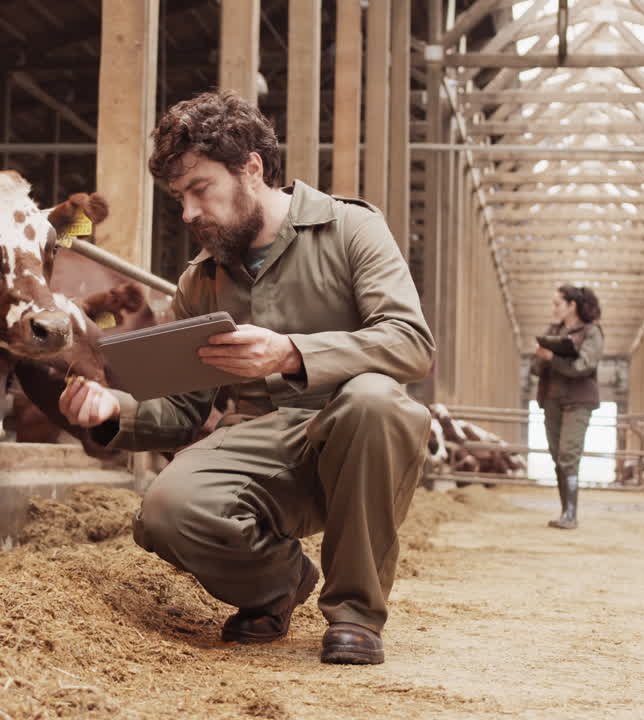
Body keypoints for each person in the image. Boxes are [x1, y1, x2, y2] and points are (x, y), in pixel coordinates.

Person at [59, 91, 434, 665]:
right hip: (262, 448)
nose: (188, 213)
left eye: (200, 190)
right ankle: (277, 586)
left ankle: (356, 613)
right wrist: (114, 410)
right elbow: (183, 410)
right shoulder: (200, 282)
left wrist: (290, 353)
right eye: (179, 198)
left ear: (251, 168)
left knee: (373, 400)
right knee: (165, 510)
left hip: (359, 441)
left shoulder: (351, 229)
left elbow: (411, 343)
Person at [531, 285, 603, 530]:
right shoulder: (552, 331)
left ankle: (571, 515)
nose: (553, 309)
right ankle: (565, 512)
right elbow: (534, 368)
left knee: (568, 455)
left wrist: (554, 358)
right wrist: (540, 357)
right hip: (551, 399)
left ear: (572, 305)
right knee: (556, 456)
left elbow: (583, 366)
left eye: (557, 303)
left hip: (578, 401)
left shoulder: (592, 333)